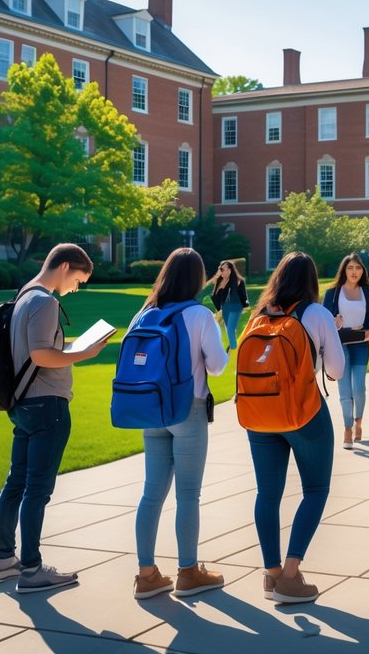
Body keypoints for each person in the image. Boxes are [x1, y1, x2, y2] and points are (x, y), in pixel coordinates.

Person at [0, 243, 108, 592]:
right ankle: (32, 568)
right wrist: (84, 353)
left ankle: (2, 560)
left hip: (23, 403)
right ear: (66, 266)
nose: (76, 288)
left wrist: (66, 350)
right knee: (37, 489)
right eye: (79, 280)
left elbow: (34, 352)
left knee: (17, 482)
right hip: (47, 405)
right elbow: (41, 355)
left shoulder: (24, 295)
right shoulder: (45, 301)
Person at [244, 251, 345, 602]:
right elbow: (336, 370)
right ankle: (291, 573)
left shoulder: (259, 315)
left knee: (266, 494)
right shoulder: (315, 313)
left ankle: (272, 575)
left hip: (260, 413)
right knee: (315, 490)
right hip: (303, 411)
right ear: (311, 281)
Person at [131, 248, 229, 599]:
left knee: (151, 491)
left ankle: (146, 574)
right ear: (196, 278)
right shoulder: (199, 314)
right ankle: (188, 571)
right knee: (188, 493)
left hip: (150, 409)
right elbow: (217, 366)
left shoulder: (144, 314)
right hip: (187, 408)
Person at [322, 253, 369, 449]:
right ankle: (347, 428)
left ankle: (358, 423)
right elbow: (324, 321)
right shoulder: (333, 293)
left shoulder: (367, 290)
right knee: (345, 390)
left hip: (361, 343)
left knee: (359, 388)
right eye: (350, 268)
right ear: (344, 270)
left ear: (362, 270)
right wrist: (334, 322)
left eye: (358, 268)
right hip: (340, 345)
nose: (354, 272)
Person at [209, 260, 248, 351]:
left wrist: (246, 307)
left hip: (236, 307)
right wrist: (217, 277)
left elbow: (243, 296)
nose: (220, 271)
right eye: (220, 269)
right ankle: (234, 345)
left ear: (230, 270)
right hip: (225, 307)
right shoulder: (220, 282)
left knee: (230, 328)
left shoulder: (239, 281)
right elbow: (214, 295)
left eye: (222, 269)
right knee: (229, 329)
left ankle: (233, 348)